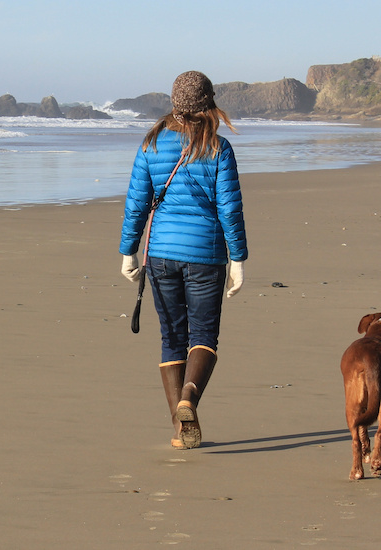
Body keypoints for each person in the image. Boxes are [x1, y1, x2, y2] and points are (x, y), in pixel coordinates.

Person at [119, 70, 247, 449]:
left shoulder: (151, 144)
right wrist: (238, 259)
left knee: (172, 337)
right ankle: (189, 396)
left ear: (174, 102)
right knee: (204, 335)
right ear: (208, 103)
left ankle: (180, 429)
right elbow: (230, 209)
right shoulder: (219, 148)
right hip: (206, 256)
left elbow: (136, 203)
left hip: (159, 255)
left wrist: (128, 250)